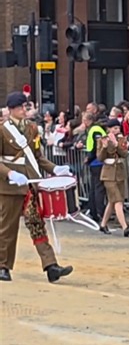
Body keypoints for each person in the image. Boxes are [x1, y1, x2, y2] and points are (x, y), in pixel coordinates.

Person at [0, 91, 73, 282]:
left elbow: (38, 157)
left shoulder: (32, 129)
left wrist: (55, 168)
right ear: (11, 110)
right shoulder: (2, 130)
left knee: (37, 224)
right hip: (10, 186)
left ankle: (51, 266)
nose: (24, 110)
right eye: (20, 107)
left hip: (31, 184)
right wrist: (10, 173)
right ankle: (3, 265)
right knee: (8, 227)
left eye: (25, 106)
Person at [96, 119, 129, 237]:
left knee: (112, 201)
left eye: (118, 128)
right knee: (118, 201)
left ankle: (103, 224)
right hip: (108, 173)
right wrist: (105, 147)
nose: (117, 130)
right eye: (114, 128)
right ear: (109, 129)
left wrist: (117, 145)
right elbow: (100, 158)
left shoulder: (121, 139)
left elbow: (125, 154)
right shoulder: (102, 140)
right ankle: (125, 227)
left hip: (120, 172)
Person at [84, 112, 107, 223]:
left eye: (84, 120)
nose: (83, 122)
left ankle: (96, 211)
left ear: (89, 120)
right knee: (97, 188)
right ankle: (99, 212)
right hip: (96, 162)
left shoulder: (95, 130)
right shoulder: (95, 129)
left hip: (96, 161)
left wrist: (89, 157)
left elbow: (96, 146)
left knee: (96, 188)